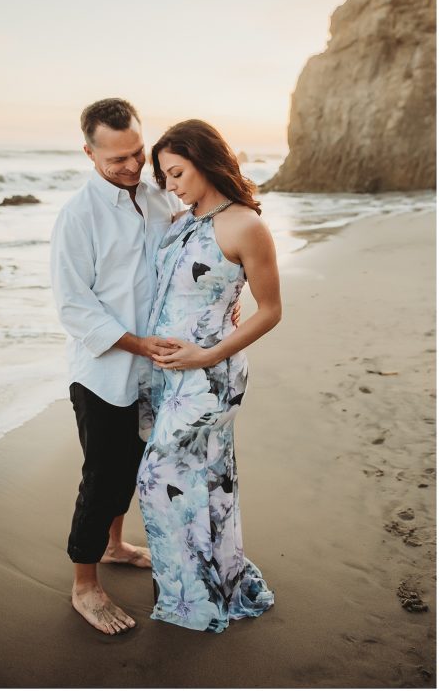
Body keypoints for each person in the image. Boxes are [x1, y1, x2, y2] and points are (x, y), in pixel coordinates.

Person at [49, 98, 189, 635]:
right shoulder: (77, 216)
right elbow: (73, 306)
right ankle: (84, 584)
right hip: (103, 373)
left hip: (155, 367)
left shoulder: (158, 196)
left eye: (137, 153)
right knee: (102, 476)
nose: (132, 166)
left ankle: (114, 545)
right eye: (116, 160)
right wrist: (137, 344)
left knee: (134, 464)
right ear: (89, 154)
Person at [136, 119, 281, 632]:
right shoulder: (182, 220)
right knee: (206, 479)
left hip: (211, 378)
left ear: (205, 160)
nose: (170, 185)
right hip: (167, 376)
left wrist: (207, 354)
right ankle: (217, 580)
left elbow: (271, 310)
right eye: (164, 177)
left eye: (177, 172)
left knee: (156, 481)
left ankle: (191, 598)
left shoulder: (246, 226)